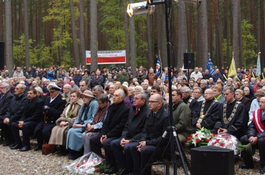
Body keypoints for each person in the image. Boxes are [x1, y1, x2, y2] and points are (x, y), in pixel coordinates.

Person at [90, 89, 130, 174]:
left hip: (117, 134)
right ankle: (100, 161)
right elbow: (106, 122)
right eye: (113, 95)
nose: (114, 97)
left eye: (117, 96)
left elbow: (121, 126)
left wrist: (107, 135)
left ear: (122, 98)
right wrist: (103, 134)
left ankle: (113, 165)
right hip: (107, 132)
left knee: (107, 142)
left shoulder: (125, 109)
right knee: (93, 139)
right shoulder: (111, 107)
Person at [129, 94, 170, 175]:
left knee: (145, 150)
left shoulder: (166, 117)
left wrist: (147, 143)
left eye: (152, 102)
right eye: (149, 101)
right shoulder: (150, 113)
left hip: (161, 146)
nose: (149, 104)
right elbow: (145, 130)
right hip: (149, 141)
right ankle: (137, 172)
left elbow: (164, 138)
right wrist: (142, 141)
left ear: (159, 103)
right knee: (133, 147)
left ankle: (145, 173)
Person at [110, 92, 149, 175]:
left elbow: (145, 131)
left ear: (143, 101)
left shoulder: (147, 112)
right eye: (133, 98)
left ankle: (134, 170)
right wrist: (123, 137)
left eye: (136, 99)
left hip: (137, 139)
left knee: (128, 147)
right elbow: (126, 126)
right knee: (114, 144)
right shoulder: (132, 110)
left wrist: (130, 140)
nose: (133, 100)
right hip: (128, 137)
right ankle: (125, 167)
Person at [66, 90, 98, 160]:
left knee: (74, 132)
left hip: (88, 125)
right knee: (71, 130)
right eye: (83, 97)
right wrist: (75, 123)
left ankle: (77, 151)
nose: (84, 98)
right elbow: (79, 116)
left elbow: (93, 118)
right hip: (81, 123)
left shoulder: (94, 104)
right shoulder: (84, 104)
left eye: (86, 97)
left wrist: (83, 124)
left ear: (90, 98)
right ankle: (72, 151)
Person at [48, 90, 83, 155]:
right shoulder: (68, 104)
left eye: (74, 96)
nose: (72, 98)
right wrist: (61, 121)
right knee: (55, 128)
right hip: (64, 121)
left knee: (64, 130)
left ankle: (65, 149)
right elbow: (63, 114)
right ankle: (59, 147)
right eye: (71, 96)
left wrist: (67, 122)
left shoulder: (80, 106)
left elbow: (78, 117)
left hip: (73, 122)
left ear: (78, 97)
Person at [34, 84, 66, 151]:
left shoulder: (61, 100)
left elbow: (59, 113)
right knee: (38, 129)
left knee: (46, 131)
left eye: (52, 92)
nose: (51, 94)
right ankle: (40, 145)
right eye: (50, 92)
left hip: (53, 120)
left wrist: (49, 109)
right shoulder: (47, 98)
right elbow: (42, 107)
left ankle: (50, 146)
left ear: (57, 92)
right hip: (45, 119)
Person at [239, 97, 265, 173]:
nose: (260, 104)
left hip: (262, 137)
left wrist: (257, 137)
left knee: (262, 141)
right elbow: (252, 126)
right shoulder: (257, 113)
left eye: (263, 102)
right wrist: (251, 136)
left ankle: (263, 164)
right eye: (260, 102)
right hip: (256, 135)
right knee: (244, 139)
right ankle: (248, 163)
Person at [3, 83, 27, 148]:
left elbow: (20, 111)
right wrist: (7, 117)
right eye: (15, 88)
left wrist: (10, 118)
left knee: (12, 124)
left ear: (22, 90)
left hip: (20, 117)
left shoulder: (25, 98)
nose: (15, 90)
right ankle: (10, 140)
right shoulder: (14, 98)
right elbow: (9, 109)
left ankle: (17, 142)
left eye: (17, 89)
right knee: (4, 121)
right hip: (12, 116)